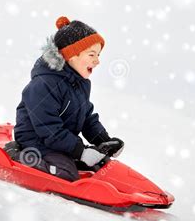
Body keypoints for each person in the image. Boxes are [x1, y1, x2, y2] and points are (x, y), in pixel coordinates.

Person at [12, 16, 124, 182]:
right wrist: (80, 151)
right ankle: (18, 156)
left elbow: (86, 117)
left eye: (98, 55)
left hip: (60, 142)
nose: (97, 61)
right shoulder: (44, 84)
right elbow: (48, 129)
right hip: (36, 142)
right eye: (92, 54)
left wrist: (104, 141)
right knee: (66, 172)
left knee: (101, 164)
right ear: (71, 55)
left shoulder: (81, 84)